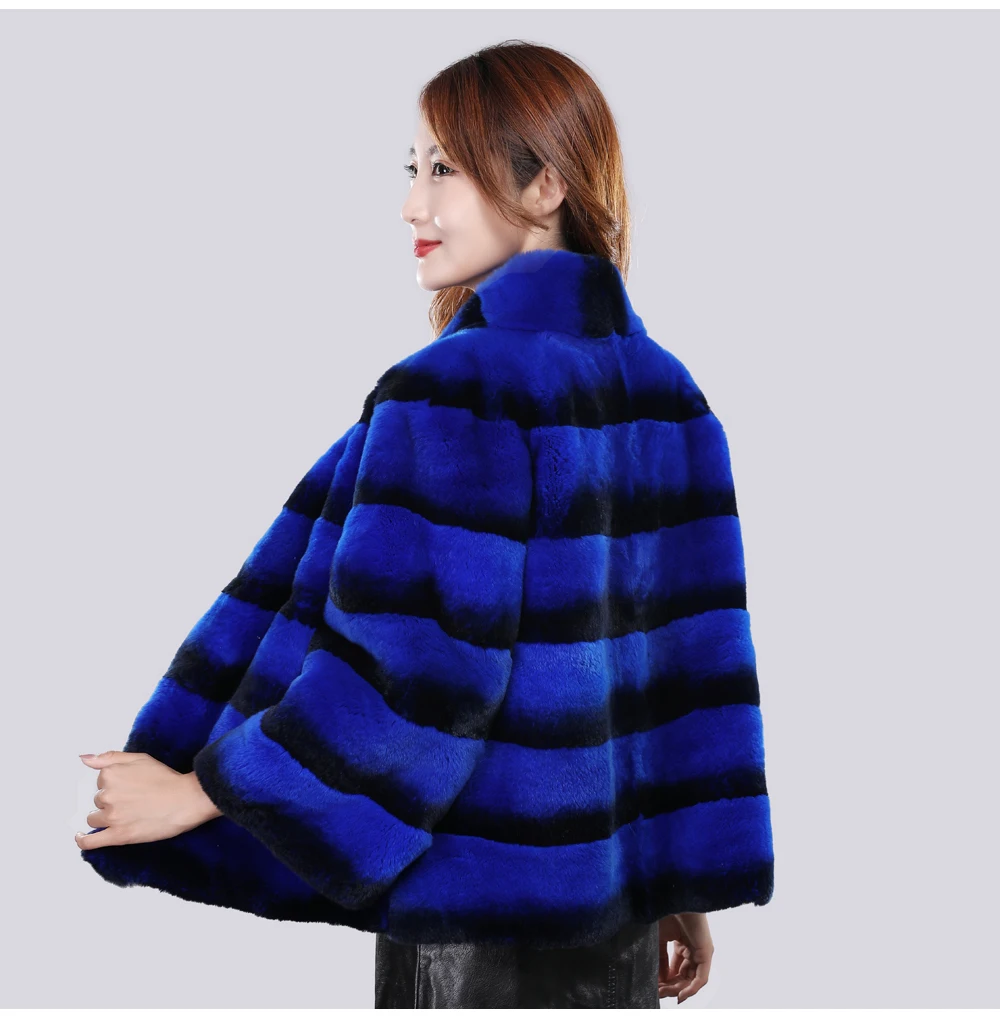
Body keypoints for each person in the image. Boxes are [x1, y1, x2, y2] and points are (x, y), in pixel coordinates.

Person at [77, 40, 773, 1009]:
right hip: (608, 923)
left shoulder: (461, 387)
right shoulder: (668, 395)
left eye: (445, 169)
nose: (413, 205)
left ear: (544, 185)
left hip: (474, 922)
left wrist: (205, 786)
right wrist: (676, 885)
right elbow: (685, 678)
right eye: (412, 169)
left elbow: (416, 670)